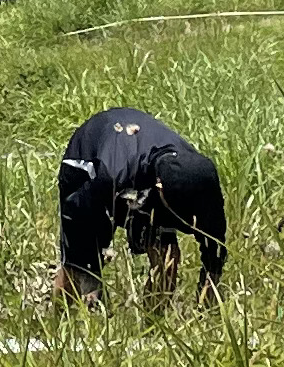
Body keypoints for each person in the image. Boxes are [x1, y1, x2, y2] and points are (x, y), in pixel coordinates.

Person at [56, 105, 228, 303]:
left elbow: (214, 243)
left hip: (142, 176)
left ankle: (153, 326)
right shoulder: (110, 176)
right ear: (160, 187)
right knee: (79, 270)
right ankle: (58, 322)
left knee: (167, 260)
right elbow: (78, 215)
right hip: (88, 163)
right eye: (181, 213)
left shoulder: (202, 181)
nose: (187, 220)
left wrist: (208, 295)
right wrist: (90, 269)